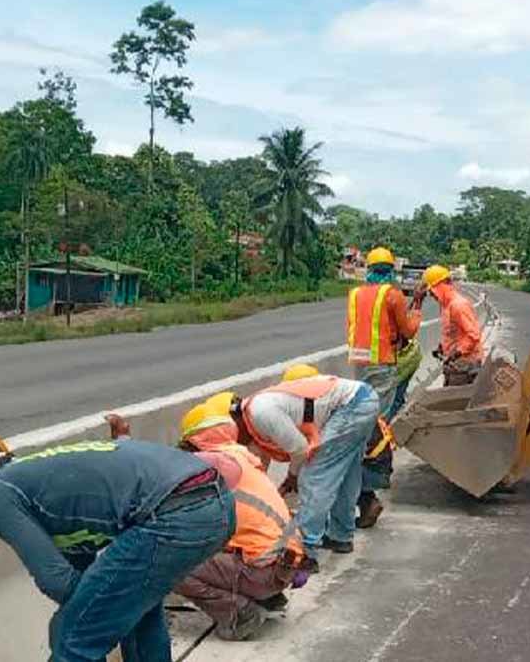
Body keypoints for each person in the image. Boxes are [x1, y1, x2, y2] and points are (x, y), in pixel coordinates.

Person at [0, 435, 235, 662]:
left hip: (173, 512)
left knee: (72, 636)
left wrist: (83, 618)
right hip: (215, 503)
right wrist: (109, 609)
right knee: (138, 616)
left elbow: (56, 580)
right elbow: (82, 574)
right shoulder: (45, 485)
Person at [168, 402, 310, 641]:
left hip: (265, 569)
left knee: (170, 564)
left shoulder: (214, 465)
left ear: (195, 439)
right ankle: (265, 596)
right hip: (285, 564)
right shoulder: (243, 459)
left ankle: (240, 614)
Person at [224, 364, 379, 560]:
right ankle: (341, 536)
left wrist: (293, 476)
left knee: (314, 477)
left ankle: (305, 551)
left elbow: (300, 450)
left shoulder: (261, 413)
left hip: (351, 405)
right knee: (346, 474)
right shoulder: (255, 410)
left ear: (235, 421)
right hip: (361, 400)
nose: (236, 441)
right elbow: (258, 463)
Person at [347, 247, 424, 528]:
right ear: (391, 269)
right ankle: (371, 486)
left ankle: (365, 486)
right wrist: (416, 306)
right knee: (376, 426)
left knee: (362, 421)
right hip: (381, 363)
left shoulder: (355, 294)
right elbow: (408, 331)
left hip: (359, 363)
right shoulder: (392, 294)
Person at [422, 264, 485, 386]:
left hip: (466, 365)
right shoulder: (446, 305)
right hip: (457, 364)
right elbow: (453, 332)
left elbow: (473, 335)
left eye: (432, 291)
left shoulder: (458, 305)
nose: (431, 295)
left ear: (440, 286)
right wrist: (443, 348)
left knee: (454, 402)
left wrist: (457, 352)